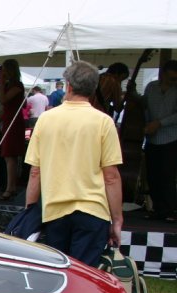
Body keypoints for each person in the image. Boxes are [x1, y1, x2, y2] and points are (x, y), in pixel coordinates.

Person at [24, 60, 123, 266]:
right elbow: (111, 176)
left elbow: (36, 172)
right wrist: (117, 219)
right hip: (93, 210)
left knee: (56, 275)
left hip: (55, 209)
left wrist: (29, 211)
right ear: (94, 88)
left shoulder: (46, 119)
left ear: (68, 85)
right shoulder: (103, 122)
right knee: (85, 276)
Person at [142, 60, 177, 223]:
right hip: (152, 138)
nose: (172, 82)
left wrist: (160, 123)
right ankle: (157, 208)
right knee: (153, 175)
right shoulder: (151, 87)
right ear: (162, 74)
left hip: (171, 138)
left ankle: (169, 209)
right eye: (170, 78)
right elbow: (144, 106)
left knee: (167, 175)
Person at [0, 59, 26, 200]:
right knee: (7, 156)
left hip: (14, 122)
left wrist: (1, 84)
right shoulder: (8, 86)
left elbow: (5, 100)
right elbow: (3, 107)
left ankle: (10, 187)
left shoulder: (17, 85)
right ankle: (10, 186)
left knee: (10, 155)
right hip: (8, 120)